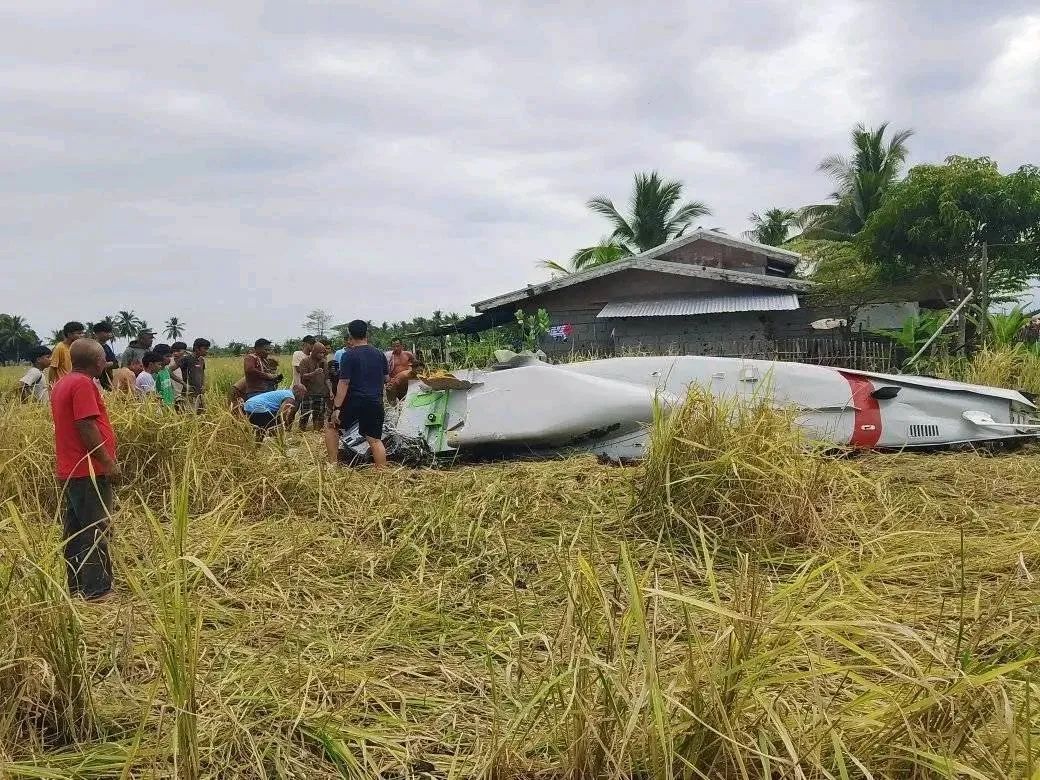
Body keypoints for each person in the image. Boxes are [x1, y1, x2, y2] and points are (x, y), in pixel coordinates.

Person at [50, 338, 119, 601]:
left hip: (71, 469)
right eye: (103, 358)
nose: (105, 362)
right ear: (98, 362)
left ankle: (78, 586)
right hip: (87, 470)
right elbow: (86, 426)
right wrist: (107, 462)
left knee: (76, 531)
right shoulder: (82, 384)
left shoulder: (63, 383)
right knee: (95, 529)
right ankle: (97, 590)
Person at [326, 320, 388, 468]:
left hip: (355, 401)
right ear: (366, 333)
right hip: (375, 402)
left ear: (350, 335)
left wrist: (337, 408)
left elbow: (344, 383)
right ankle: (383, 474)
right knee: (375, 440)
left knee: (331, 426)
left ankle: (333, 465)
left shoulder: (349, 355)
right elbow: (386, 379)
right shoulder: (380, 354)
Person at [242, 384, 306, 440]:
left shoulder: (285, 392)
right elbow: (281, 414)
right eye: (303, 394)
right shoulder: (290, 398)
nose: (303, 397)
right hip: (258, 406)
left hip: (248, 405)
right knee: (272, 426)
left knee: (257, 427)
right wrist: (285, 424)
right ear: (298, 392)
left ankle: (248, 443)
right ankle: (278, 444)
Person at [297, 341, 330, 430]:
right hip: (308, 393)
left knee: (319, 415)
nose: (322, 355)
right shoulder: (305, 361)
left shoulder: (324, 362)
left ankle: (317, 432)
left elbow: (327, 378)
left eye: (323, 353)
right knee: (305, 414)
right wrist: (314, 373)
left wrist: (330, 391)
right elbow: (303, 376)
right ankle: (301, 432)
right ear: (314, 352)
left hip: (320, 393)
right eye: (320, 353)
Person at [48, 321, 85, 387]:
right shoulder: (60, 348)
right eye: (79, 333)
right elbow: (53, 368)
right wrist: (51, 386)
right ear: (69, 334)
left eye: (82, 333)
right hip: (62, 385)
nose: (82, 335)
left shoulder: (77, 348)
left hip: (73, 384)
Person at [179, 338, 210, 413]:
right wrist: (184, 384)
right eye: (205, 349)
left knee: (201, 414)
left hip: (199, 393)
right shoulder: (186, 359)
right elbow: (170, 370)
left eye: (207, 349)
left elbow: (202, 373)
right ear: (196, 348)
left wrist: (203, 385)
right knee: (190, 416)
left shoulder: (201, 360)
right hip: (189, 394)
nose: (207, 351)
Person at [385, 338, 415, 404]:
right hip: (395, 384)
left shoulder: (408, 354)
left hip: (406, 383)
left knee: (408, 402)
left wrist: (410, 370)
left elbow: (415, 365)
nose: (396, 348)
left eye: (397, 346)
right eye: (393, 346)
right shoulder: (389, 356)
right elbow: (385, 369)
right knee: (394, 404)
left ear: (402, 345)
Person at [92, 320, 118, 391]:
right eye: (106, 332)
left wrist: (105, 364)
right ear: (98, 333)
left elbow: (116, 364)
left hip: (108, 381)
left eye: (110, 332)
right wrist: (108, 363)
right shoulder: (92, 347)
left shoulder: (107, 347)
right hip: (96, 381)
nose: (109, 334)